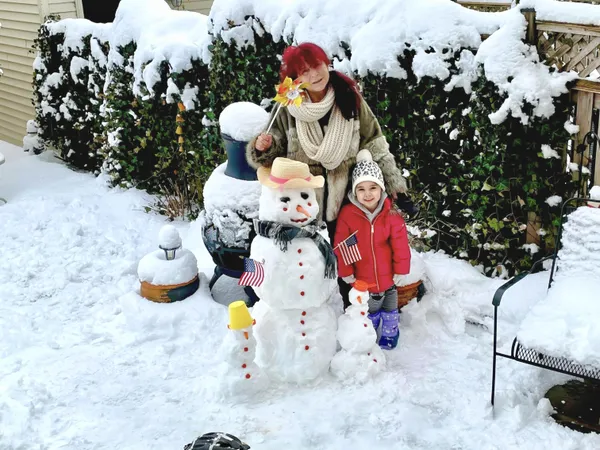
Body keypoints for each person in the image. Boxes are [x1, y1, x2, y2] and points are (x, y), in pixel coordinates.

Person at [246, 42, 407, 240]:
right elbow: (273, 150)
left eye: (317, 65)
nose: (314, 75)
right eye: (305, 71)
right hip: (304, 204)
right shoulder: (288, 106)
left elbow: (373, 141)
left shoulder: (349, 97)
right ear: (295, 78)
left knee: (346, 263)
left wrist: (394, 184)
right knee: (310, 264)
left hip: (348, 203)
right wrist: (264, 147)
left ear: (326, 63)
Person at [333, 150, 411, 349]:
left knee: (390, 306)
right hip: (363, 276)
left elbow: (400, 242)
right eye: (361, 189)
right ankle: (369, 330)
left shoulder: (390, 212)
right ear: (354, 191)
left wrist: (401, 269)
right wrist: (346, 272)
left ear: (381, 189)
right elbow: (342, 245)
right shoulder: (348, 214)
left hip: (388, 275)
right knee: (370, 308)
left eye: (373, 187)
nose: (368, 194)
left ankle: (390, 332)